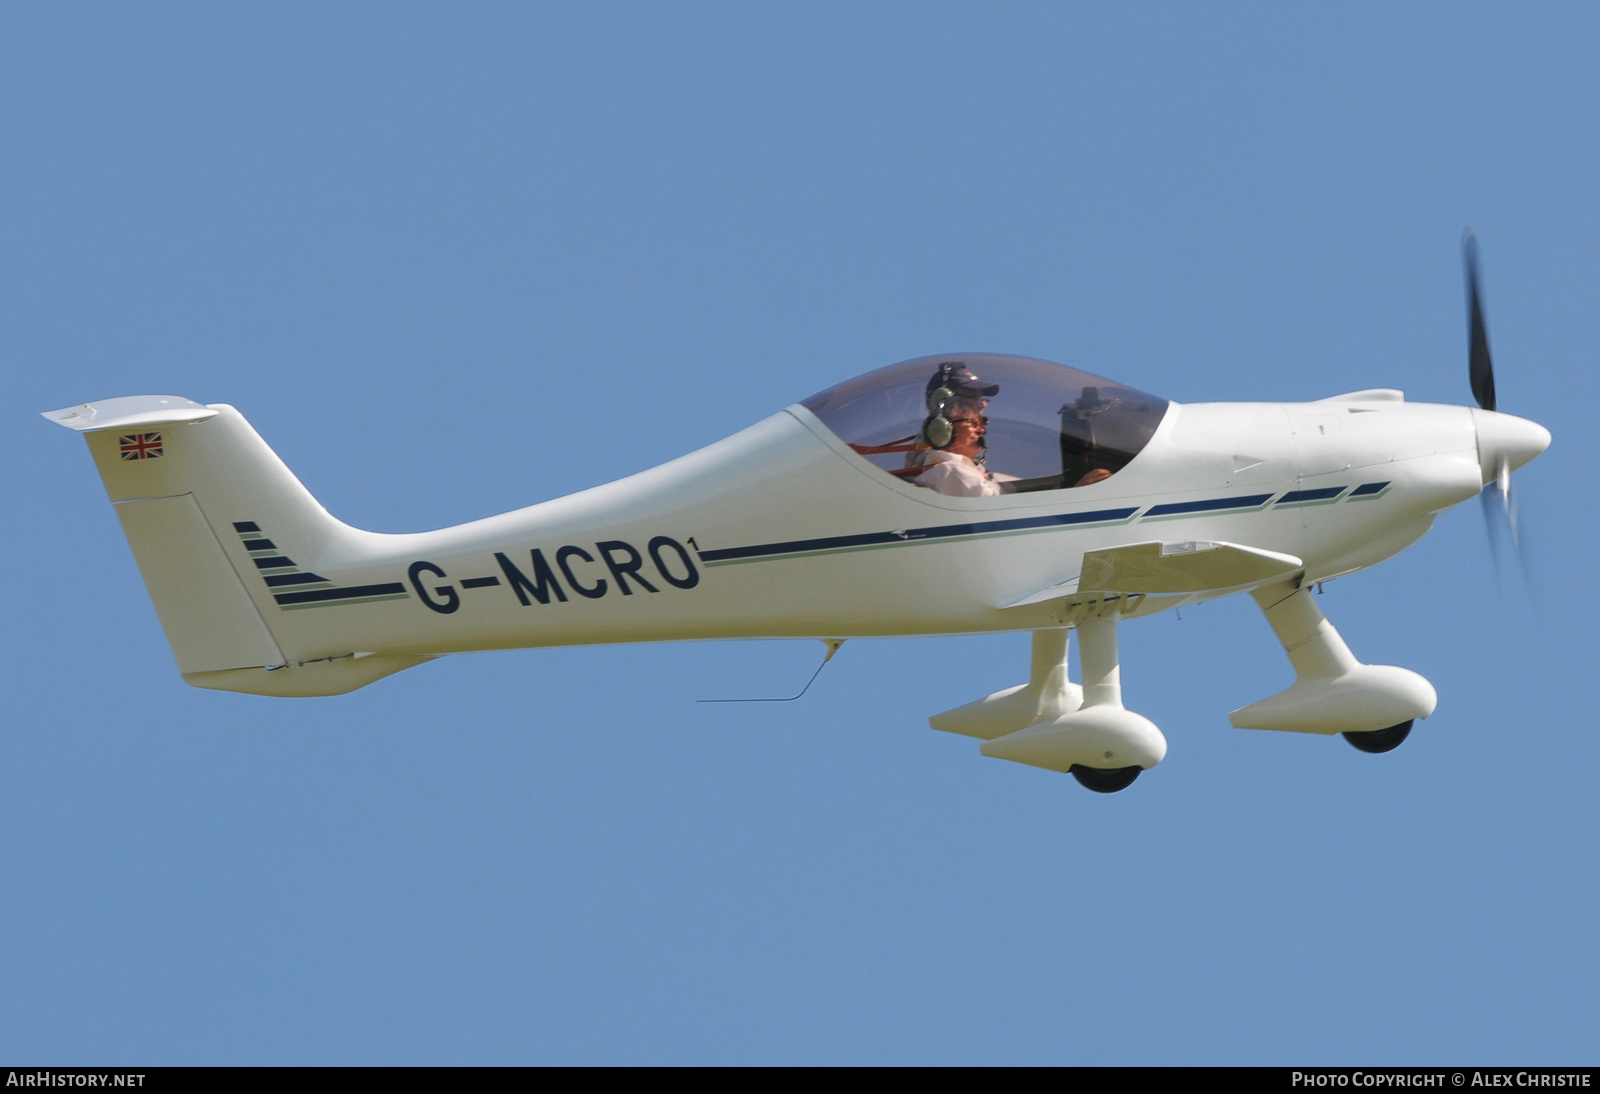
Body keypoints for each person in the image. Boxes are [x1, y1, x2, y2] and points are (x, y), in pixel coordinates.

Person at [909, 362, 1003, 497]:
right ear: (942, 401)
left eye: (982, 398)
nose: (982, 405)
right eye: (973, 397)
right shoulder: (946, 466)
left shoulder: (951, 455)